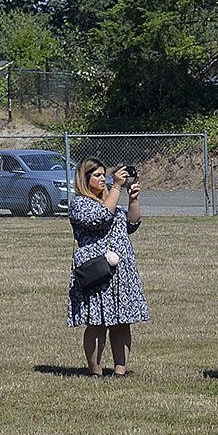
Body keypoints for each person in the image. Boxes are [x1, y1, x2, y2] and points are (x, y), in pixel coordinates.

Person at [67, 158, 149, 377]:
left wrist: (133, 200)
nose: (102, 179)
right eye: (97, 175)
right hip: (96, 271)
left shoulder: (111, 200)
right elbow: (101, 217)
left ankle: (120, 371)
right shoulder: (80, 204)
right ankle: (96, 371)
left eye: (104, 174)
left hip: (120, 272)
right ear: (84, 180)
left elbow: (132, 223)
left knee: (122, 321)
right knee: (96, 322)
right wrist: (117, 187)